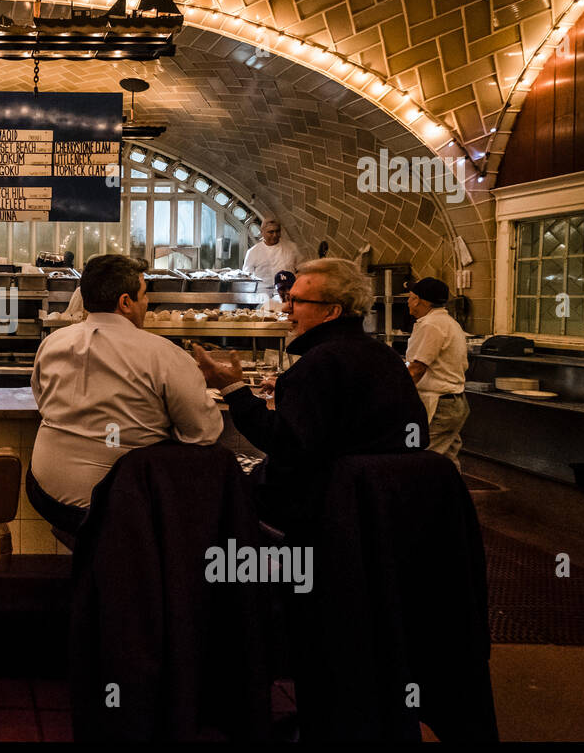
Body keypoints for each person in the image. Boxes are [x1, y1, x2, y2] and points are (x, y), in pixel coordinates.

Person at [192, 258, 428, 527]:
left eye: (296, 301)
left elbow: (285, 443)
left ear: (332, 311)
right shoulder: (385, 356)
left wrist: (233, 389)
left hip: (322, 511)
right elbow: (410, 432)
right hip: (385, 504)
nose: (285, 308)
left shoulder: (321, 361)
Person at [29, 254, 223, 533]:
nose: (147, 302)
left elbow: (41, 400)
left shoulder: (52, 343)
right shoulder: (164, 354)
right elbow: (204, 433)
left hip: (44, 493)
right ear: (125, 302)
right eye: (144, 294)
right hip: (119, 504)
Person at [405, 277, 469, 470]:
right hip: (453, 403)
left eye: (410, 296)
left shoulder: (431, 325)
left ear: (419, 300)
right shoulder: (447, 322)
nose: (408, 301)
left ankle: (422, 500)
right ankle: (454, 499)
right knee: (446, 462)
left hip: (440, 406)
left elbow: (417, 368)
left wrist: (393, 394)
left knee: (421, 461)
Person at [242, 219, 301, 294]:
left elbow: (301, 269)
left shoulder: (292, 247)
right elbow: (247, 278)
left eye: (277, 231)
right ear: (262, 233)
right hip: (262, 294)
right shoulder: (253, 252)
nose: (275, 235)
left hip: (288, 292)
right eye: (271, 232)